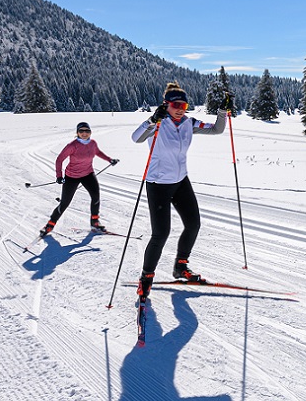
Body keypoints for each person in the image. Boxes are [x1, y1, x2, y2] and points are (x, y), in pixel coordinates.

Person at [131, 82, 227, 300]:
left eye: (184, 104)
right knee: (161, 233)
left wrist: (222, 111)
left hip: (181, 181)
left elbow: (217, 129)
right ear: (166, 104)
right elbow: (136, 138)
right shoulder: (158, 123)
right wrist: (151, 120)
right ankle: (146, 278)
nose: (181, 108)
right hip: (158, 184)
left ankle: (180, 267)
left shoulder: (188, 122)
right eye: (176, 104)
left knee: (193, 224)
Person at [40, 121, 118, 237]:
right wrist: (59, 176)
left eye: (87, 131)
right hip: (72, 176)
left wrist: (109, 160)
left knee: (96, 197)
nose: (84, 133)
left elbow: (97, 152)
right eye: (81, 131)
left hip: (88, 174)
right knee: (65, 203)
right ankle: (50, 225)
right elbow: (59, 159)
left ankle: (95, 222)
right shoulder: (72, 146)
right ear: (77, 133)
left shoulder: (92, 144)